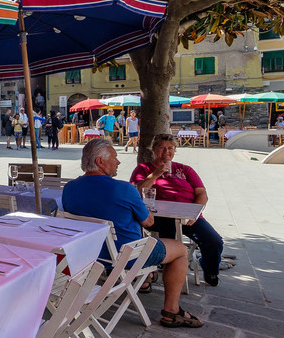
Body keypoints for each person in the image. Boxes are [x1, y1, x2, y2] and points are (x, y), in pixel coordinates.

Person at [61, 137, 197, 327]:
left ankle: (145, 280)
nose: (118, 162)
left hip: (89, 255)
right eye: (114, 158)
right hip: (127, 256)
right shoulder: (123, 189)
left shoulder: (69, 188)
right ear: (100, 162)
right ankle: (172, 310)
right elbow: (149, 222)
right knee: (180, 250)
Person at [131, 133, 225, 286]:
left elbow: (201, 193)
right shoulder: (143, 168)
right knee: (169, 235)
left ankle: (210, 268)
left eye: (170, 148)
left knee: (214, 241)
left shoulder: (185, 169)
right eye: (161, 148)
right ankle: (166, 266)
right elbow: (136, 192)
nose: (166, 152)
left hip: (187, 215)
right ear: (154, 149)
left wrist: (195, 213)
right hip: (157, 216)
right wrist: (156, 174)